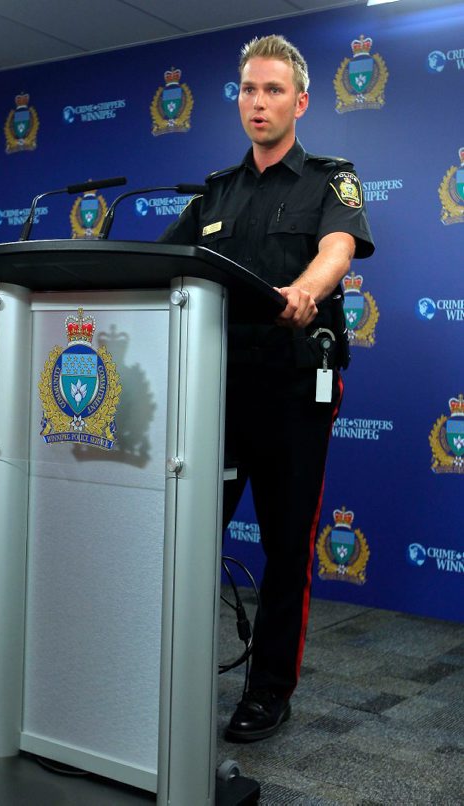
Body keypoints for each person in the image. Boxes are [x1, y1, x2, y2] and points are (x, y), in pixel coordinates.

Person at [159, 34, 375, 742]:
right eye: (249, 90)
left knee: (286, 548)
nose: (258, 102)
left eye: (273, 90)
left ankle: (268, 691)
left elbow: (337, 248)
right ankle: (170, 672)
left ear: (301, 101)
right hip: (214, 392)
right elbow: (159, 262)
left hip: (292, 392)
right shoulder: (218, 191)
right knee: (189, 540)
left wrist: (306, 293)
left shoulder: (329, 178)